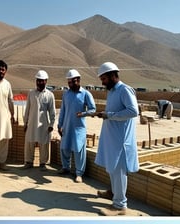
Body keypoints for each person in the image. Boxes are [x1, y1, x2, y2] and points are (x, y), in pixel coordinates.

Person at [94, 62, 139, 216]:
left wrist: (110, 115)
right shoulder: (112, 91)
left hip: (120, 141)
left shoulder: (125, 90)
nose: (102, 82)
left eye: (104, 78)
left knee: (118, 170)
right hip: (111, 139)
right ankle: (113, 193)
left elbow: (133, 111)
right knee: (112, 168)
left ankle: (120, 205)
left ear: (113, 75)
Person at [57, 69, 96, 183]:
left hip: (79, 127)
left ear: (78, 80)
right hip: (67, 126)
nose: (71, 84)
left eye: (73, 82)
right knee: (64, 147)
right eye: (69, 82)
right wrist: (60, 125)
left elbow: (93, 109)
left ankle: (79, 173)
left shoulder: (85, 94)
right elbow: (63, 110)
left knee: (79, 150)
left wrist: (83, 113)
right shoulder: (66, 94)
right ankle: (65, 168)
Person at [23, 70, 56, 171]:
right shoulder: (31, 93)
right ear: (36, 81)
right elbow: (27, 109)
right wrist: (25, 123)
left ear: (46, 81)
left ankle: (43, 163)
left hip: (44, 124)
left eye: (42, 81)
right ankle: (28, 162)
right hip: (31, 123)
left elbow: (52, 111)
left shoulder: (50, 95)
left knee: (44, 143)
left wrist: (51, 124)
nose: (40, 83)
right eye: (38, 80)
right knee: (29, 142)